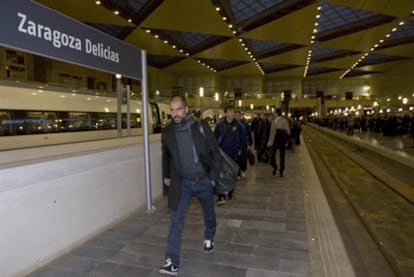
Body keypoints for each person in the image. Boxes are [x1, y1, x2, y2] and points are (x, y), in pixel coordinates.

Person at [160, 95, 221, 275]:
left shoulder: (200, 127)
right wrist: (166, 176)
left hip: (203, 180)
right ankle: (172, 261)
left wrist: (213, 178)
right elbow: (166, 156)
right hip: (182, 183)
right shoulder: (168, 132)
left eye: (179, 109)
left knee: (209, 214)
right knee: (175, 220)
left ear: (186, 109)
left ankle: (209, 236)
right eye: (172, 110)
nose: (175, 114)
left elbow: (215, 153)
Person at [214, 105, 246, 205]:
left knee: (232, 174)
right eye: (230, 112)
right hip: (223, 155)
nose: (232, 114)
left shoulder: (239, 126)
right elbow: (214, 139)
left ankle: (230, 192)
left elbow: (243, 139)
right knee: (221, 175)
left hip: (234, 154)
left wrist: (241, 149)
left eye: (233, 111)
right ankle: (221, 196)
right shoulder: (220, 125)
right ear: (225, 113)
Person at [267, 108, 290, 177]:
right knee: (272, 155)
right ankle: (275, 167)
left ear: (277, 113)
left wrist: (286, 141)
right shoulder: (273, 122)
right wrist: (269, 142)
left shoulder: (284, 121)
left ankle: (281, 170)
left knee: (282, 156)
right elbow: (271, 133)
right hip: (274, 140)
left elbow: (288, 131)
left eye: (274, 112)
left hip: (281, 140)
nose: (273, 114)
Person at [235, 110, 252, 177]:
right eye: (236, 116)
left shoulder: (245, 124)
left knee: (243, 159)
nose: (237, 117)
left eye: (238, 116)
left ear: (240, 116)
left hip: (244, 145)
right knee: (237, 160)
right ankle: (238, 173)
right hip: (236, 145)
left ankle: (243, 170)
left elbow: (249, 134)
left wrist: (250, 144)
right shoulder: (233, 124)